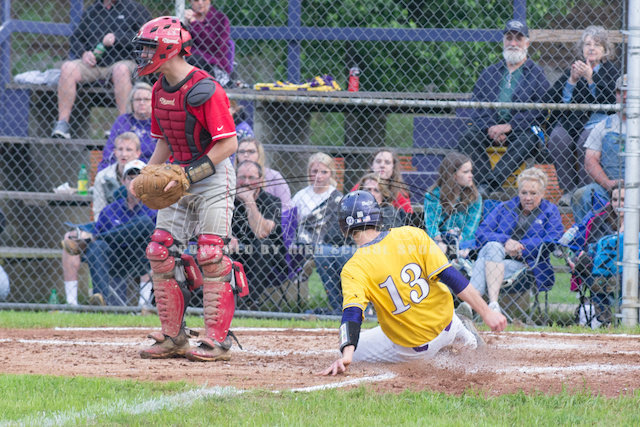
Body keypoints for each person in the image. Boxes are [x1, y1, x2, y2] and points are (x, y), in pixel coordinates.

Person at [131, 17, 240, 362]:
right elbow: (165, 140)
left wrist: (188, 176)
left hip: (212, 174)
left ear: (169, 49)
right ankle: (173, 337)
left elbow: (229, 144)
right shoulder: (159, 90)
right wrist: (146, 175)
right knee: (159, 250)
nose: (143, 55)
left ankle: (217, 341)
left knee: (211, 253)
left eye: (149, 48)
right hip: (177, 174)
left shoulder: (205, 88)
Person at [319, 191, 507, 375]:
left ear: (344, 227)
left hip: (416, 349)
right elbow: (451, 276)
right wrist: (487, 312)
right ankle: (463, 335)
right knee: (439, 307)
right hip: (448, 324)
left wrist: (347, 355)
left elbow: (352, 313)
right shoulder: (411, 235)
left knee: (358, 346)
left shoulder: (353, 268)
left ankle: (444, 351)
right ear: (377, 216)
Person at [456, 19, 549, 196]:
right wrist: (492, 127)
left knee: (529, 139)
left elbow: (540, 110)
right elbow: (478, 105)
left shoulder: (536, 74)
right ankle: (483, 184)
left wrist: (509, 126)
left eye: (518, 39)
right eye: (509, 38)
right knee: (467, 137)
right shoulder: (489, 72)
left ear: (527, 43)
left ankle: (491, 183)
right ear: (503, 41)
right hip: (489, 128)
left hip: (521, 129)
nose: (513, 43)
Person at [51, 0, 151, 139]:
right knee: (67, 67)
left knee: (120, 70)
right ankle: (62, 124)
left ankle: (124, 125)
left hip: (123, 62)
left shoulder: (134, 9)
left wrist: (118, 37)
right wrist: (84, 53)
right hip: (94, 65)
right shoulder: (92, 10)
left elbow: (147, 37)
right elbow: (76, 39)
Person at [469, 167, 563, 314]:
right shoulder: (504, 207)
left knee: (481, 263)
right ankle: (493, 304)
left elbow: (553, 239)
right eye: (524, 193)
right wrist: (506, 242)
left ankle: (470, 307)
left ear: (542, 193)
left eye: (533, 193)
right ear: (518, 192)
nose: (528, 198)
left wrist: (521, 247)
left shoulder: (550, 211)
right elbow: (481, 233)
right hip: (497, 256)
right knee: (493, 246)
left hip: (525, 265)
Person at [61, 133, 142, 306]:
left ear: (138, 153)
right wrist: (108, 226)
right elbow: (99, 215)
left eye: (129, 150)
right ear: (114, 152)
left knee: (144, 232)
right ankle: (72, 303)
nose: (124, 154)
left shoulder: (147, 174)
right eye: (120, 149)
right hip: (109, 227)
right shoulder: (103, 176)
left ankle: (144, 305)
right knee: (71, 238)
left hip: (137, 234)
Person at [313, 173, 408, 314]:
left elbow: (384, 238)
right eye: (367, 190)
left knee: (348, 253)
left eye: (376, 190)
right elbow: (331, 236)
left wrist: (354, 235)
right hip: (350, 252)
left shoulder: (388, 212)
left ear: (383, 195)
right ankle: (340, 308)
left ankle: (365, 309)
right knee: (323, 252)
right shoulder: (349, 213)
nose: (371, 193)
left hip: (380, 257)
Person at [544, 26, 619, 204]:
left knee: (585, 140)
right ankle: (569, 190)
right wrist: (572, 80)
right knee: (557, 137)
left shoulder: (611, 71)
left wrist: (591, 78)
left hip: (598, 122)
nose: (591, 48)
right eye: (587, 44)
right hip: (571, 122)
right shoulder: (574, 69)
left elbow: (610, 101)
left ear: (605, 50)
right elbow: (554, 99)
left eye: (597, 45)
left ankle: (585, 192)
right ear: (582, 48)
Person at [229, 160, 287, 310]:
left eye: (251, 177)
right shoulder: (228, 200)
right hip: (234, 251)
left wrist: (249, 201)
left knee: (263, 246)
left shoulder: (272, 201)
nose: (246, 182)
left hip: (268, 257)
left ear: (260, 180)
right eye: (242, 177)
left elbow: (262, 232)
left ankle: (248, 302)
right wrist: (227, 237)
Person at [571, 74, 628, 223]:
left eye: (630, 92)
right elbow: (590, 161)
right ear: (616, 94)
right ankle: (587, 235)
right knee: (582, 195)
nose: (625, 96)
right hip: (608, 188)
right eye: (620, 91)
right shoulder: (603, 126)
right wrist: (608, 184)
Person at [424, 152, 482, 258]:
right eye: (466, 172)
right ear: (453, 175)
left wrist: (455, 240)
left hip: (463, 241)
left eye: (471, 171)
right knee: (439, 249)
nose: (471, 175)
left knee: (465, 251)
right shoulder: (433, 195)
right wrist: (444, 239)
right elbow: (431, 227)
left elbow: (470, 229)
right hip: (439, 240)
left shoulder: (475, 197)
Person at [98, 82, 154, 170]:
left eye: (146, 99)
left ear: (153, 102)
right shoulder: (123, 121)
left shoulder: (159, 122)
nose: (142, 102)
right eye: (138, 99)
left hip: (151, 170)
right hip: (123, 170)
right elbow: (109, 151)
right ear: (132, 102)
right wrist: (104, 172)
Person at [183, 0, 233, 87]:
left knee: (193, 58)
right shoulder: (186, 17)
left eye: (204, 0)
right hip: (189, 62)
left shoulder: (220, 18)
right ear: (190, 2)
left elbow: (216, 47)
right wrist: (185, 24)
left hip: (213, 66)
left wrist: (195, 23)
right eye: (196, 0)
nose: (200, 3)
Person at [235, 137, 290, 211]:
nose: (246, 155)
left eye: (251, 151)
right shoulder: (229, 175)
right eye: (241, 151)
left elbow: (286, 207)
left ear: (259, 154)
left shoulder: (274, 177)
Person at [352, 149, 413, 213]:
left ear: (393, 167)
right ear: (372, 165)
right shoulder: (361, 186)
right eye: (378, 161)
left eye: (387, 162)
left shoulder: (399, 192)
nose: (382, 165)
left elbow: (408, 215)